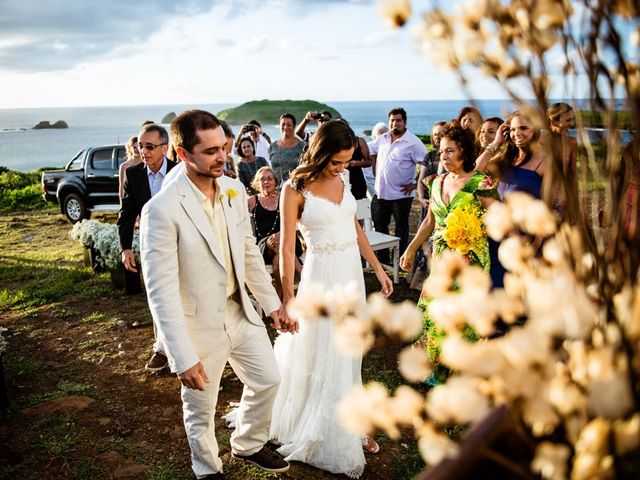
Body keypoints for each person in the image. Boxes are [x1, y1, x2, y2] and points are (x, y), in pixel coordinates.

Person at [140, 109, 291, 480]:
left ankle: (249, 444)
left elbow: (248, 253)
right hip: (196, 323)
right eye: (210, 152)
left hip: (239, 311)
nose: (222, 157)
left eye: (223, 147)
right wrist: (180, 355)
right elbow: (159, 291)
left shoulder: (234, 190)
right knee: (201, 409)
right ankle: (208, 470)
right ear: (182, 153)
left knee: (269, 379)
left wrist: (272, 305)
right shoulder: (161, 210)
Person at [273, 120, 393, 477]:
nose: (342, 169)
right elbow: (286, 250)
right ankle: (334, 428)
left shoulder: (342, 180)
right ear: (321, 152)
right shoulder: (294, 188)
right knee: (325, 349)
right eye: (337, 162)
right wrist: (288, 299)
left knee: (349, 351)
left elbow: (353, 226)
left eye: (346, 162)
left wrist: (379, 267)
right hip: (321, 278)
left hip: (351, 276)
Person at [399, 122, 499, 382]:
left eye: (450, 151)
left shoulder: (481, 183)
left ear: (464, 151)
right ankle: (433, 369)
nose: (442, 156)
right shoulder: (436, 182)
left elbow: (501, 219)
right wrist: (410, 248)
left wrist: (475, 229)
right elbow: (429, 222)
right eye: (441, 151)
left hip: (471, 262)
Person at [117, 123, 177, 372]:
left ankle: (184, 348)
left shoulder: (181, 172)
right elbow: (126, 213)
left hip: (181, 244)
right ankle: (161, 350)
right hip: (150, 245)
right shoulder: (134, 175)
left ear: (165, 148)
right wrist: (126, 248)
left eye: (150, 146)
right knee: (157, 296)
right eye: (141, 146)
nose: (144, 151)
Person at [369, 107, 428, 262]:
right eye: (392, 120)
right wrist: (375, 167)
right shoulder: (382, 138)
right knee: (380, 227)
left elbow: (426, 163)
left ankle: (401, 259)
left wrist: (415, 183)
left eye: (398, 120)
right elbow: (369, 150)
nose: (395, 123)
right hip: (380, 193)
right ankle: (383, 260)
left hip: (401, 195)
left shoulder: (413, 142)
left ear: (404, 122)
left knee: (401, 229)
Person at [247, 166, 302, 299]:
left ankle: (281, 299)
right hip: (264, 246)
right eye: (262, 179)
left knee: (278, 260)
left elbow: (296, 221)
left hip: (289, 242)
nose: (266, 182)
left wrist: (282, 234)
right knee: (276, 241)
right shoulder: (252, 201)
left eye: (269, 179)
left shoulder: (284, 198)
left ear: (275, 181)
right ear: (257, 183)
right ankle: (303, 274)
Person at [476, 110, 547, 200]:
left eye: (523, 128)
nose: (516, 133)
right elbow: (475, 172)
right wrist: (496, 142)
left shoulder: (545, 162)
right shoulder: (506, 157)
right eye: (512, 129)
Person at [409, 121, 446, 290]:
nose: (438, 137)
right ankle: (417, 280)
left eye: (441, 134)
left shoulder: (452, 157)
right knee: (423, 240)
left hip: (443, 207)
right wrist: (422, 199)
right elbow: (420, 180)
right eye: (435, 134)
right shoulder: (429, 156)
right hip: (427, 207)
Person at [546, 102, 578, 223]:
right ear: (554, 121)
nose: (572, 124)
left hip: (560, 202)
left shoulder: (572, 143)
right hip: (539, 200)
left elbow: (573, 176)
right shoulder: (540, 142)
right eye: (568, 120)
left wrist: (574, 206)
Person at [269, 113, 305, 182]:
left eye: (289, 125)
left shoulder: (303, 146)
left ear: (294, 127)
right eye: (283, 124)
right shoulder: (273, 146)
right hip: (276, 190)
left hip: (296, 188)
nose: (285, 127)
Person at [364, 122, 388, 198]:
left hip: (385, 182)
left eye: (384, 133)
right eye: (379, 133)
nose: (382, 135)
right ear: (374, 135)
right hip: (369, 180)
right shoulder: (368, 146)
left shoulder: (389, 147)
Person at [118, 136, 142, 201]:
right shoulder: (124, 166)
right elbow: (121, 188)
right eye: (134, 147)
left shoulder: (147, 164)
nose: (137, 149)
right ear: (130, 148)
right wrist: (121, 204)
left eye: (139, 147)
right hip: (130, 200)